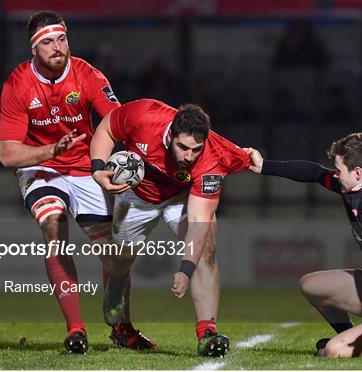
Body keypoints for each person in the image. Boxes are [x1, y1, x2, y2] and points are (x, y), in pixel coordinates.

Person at [0, 11, 153, 354]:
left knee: (113, 257)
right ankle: (76, 329)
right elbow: (8, 154)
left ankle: (121, 327)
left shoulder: (88, 75)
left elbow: (118, 120)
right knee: (53, 225)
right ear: (34, 49)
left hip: (85, 169)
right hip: (42, 169)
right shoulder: (17, 83)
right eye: (48, 42)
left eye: (62, 39)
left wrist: (132, 154)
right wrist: (50, 150)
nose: (58, 47)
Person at [245, 132, 362, 357]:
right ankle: (353, 337)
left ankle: (358, 344)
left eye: (339, 170)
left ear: (358, 172)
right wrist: (265, 166)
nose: (335, 175)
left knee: (333, 351)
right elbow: (314, 173)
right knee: (310, 285)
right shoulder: (360, 184)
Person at [89, 98, 251, 357]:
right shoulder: (144, 115)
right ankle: (120, 324)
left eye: (195, 149)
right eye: (183, 147)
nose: (189, 156)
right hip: (135, 195)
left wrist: (185, 269)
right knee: (120, 261)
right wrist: (98, 169)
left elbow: (200, 221)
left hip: (181, 196)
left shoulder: (211, 156)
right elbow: (107, 128)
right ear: (170, 135)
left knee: (206, 248)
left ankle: (206, 334)